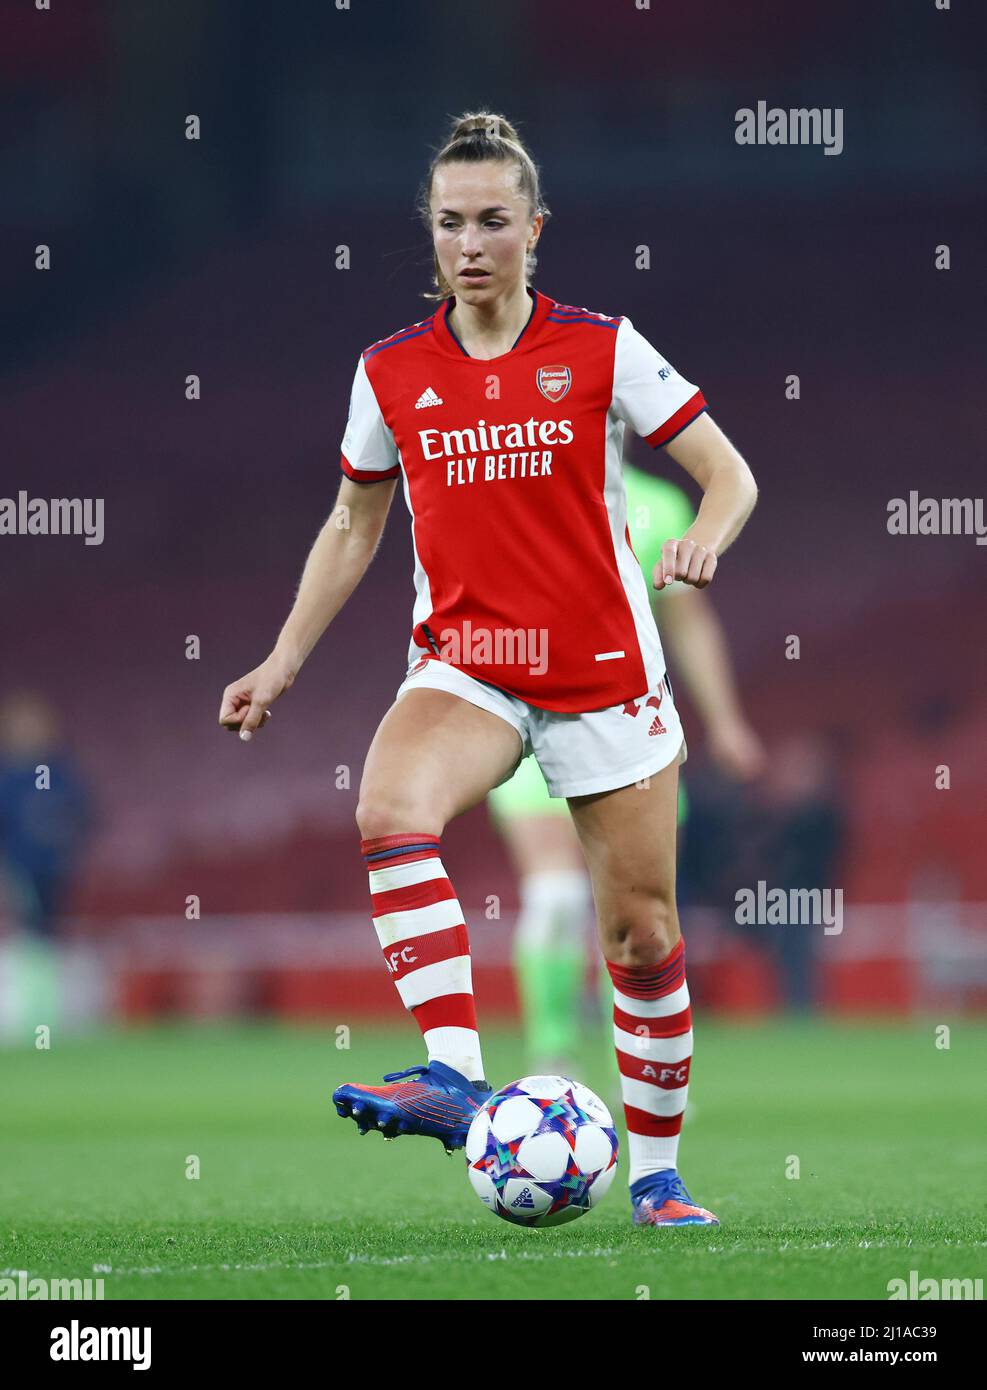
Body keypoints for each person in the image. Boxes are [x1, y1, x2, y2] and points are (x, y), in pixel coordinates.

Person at [218, 112, 758, 1228]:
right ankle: (454, 1071)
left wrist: (707, 533)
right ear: (431, 231)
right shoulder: (389, 372)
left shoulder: (604, 347)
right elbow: (351, 527)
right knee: (387, 805)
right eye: (451, 222)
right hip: (470, 664)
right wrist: (279, 660)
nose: (470, 243)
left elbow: (730, 474)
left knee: (642, 934)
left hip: (604, 672)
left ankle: (656, 1176)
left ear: (534, 230)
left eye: (494, 222)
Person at [489, 458, 764, 1076]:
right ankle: (552, 1057)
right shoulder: (511, 487)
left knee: (640, 914)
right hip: (535, 724)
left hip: (631, 730)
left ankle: (647, 1066)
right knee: (557, 898)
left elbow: (688, 622)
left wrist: (725, 723)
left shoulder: (659, 507)